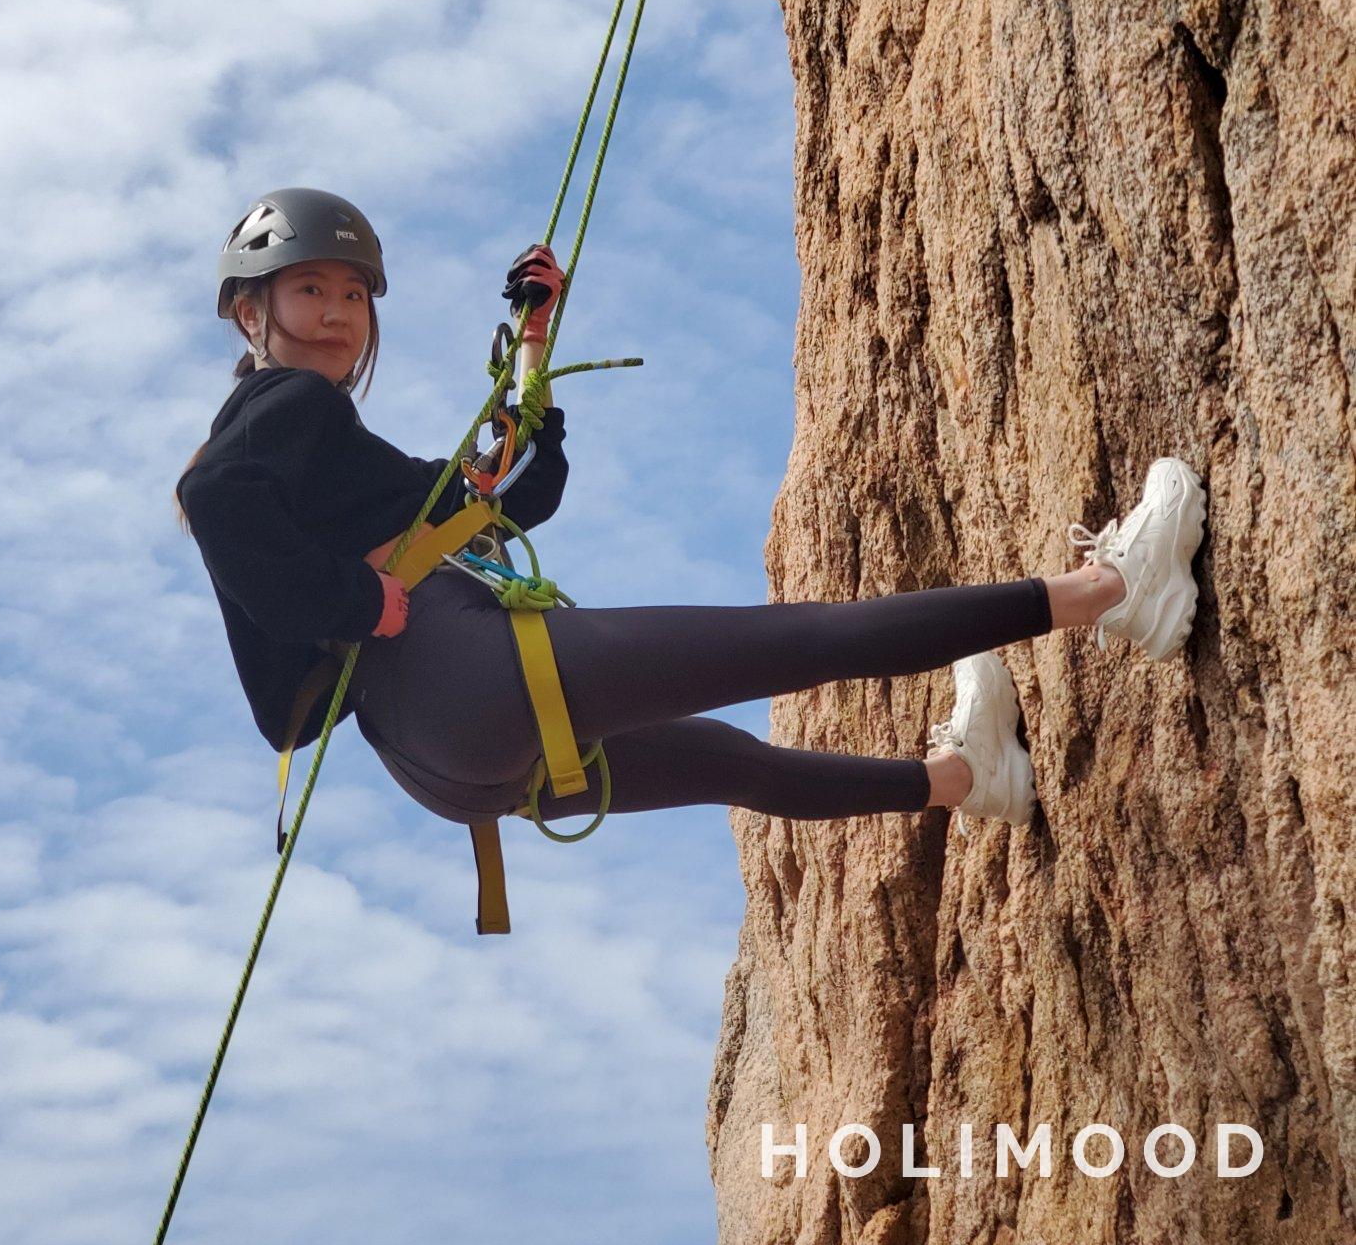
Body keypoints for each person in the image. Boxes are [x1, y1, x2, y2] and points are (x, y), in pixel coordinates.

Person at [175, 188, 1208, 841]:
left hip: (444, 761)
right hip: (454, 674)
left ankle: (961, 778)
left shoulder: (331, 462)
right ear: (249, 311)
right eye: (307, 288)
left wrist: (532, 351)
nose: (336, 313)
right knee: (791, 640)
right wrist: (363, 601)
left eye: (352, 296)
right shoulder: (282, 404)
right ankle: (1115, 590)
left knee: (727, 760)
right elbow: (211, 497)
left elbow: (504, 493)